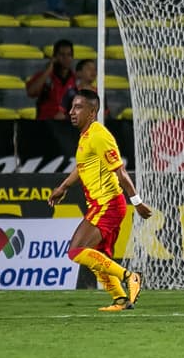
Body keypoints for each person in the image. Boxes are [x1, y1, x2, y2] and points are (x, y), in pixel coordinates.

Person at [48, 90, 152, 310]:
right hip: (101, 204)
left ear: (92, 112)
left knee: (76, 250)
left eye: (78, 107)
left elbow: (120, 171)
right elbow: (82, 167)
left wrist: (137, 201)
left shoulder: (99, 135)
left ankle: (130, 276)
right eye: (72, 107)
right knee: (98, 256)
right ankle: (121, 299)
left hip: (108, 204)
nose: (71, 112)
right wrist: (63, 187)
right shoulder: (86, 136)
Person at [26, 39, 76, 120]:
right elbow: (31, 92)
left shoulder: (75, 79)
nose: (66, 58)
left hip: (68, 125)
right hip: (45, 124)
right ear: (55, 56)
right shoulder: (43, 76)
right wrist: (48, 70)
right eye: (62, 55)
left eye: (69, 55)